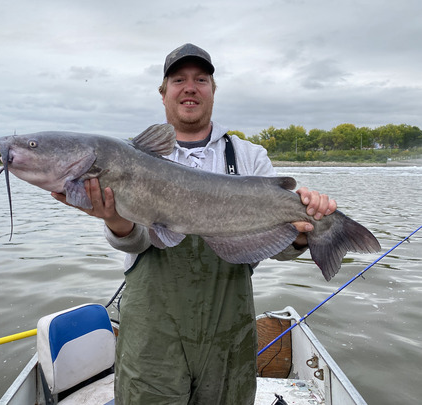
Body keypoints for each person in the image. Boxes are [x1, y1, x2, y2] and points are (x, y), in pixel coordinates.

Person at [52, 43, 337, 405]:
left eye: (201, 79)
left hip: (228, 332)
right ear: (163, 92)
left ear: (213, 90)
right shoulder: (128, 156)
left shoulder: (249, 157)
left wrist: (300, 236)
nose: (190, 87)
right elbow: (136, 240)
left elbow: (278, 247)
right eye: (178, 79)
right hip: (153, 334)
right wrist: (113, 218)